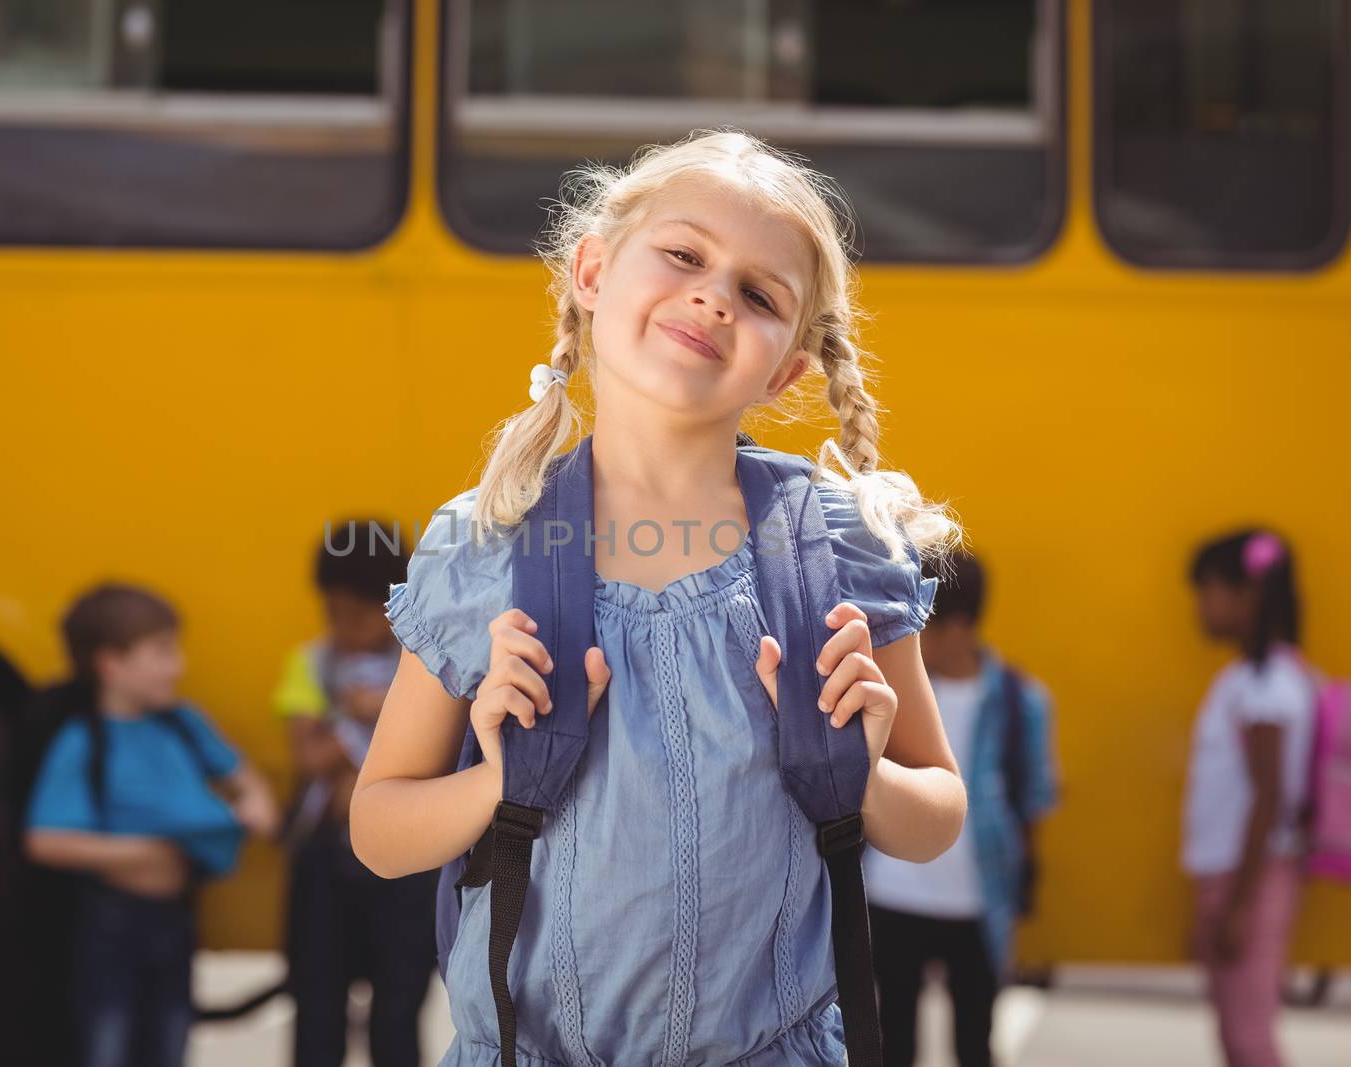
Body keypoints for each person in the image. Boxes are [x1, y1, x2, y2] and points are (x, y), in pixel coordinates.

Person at [350, 128, 967, 1065]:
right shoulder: (488, 544)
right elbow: (379, 830)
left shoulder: (837, 550)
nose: (714, 295)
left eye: (759, 296)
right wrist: (494, 783)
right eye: (684, 254)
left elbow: (937, 814)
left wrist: (867, 771)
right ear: (592, 271)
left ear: (785, 370)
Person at [25, 583, 278, 1067]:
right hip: (110, 923)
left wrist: (253, 802)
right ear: (110, 664)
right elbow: (44, 839)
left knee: (170, 1040)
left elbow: (244, 781)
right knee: (108, 1045)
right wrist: (144, 852)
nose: (177, 666)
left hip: (176, 920)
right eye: (162, 652)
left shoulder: (183, 723)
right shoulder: (84, 740)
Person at [865, 549, 1058, 1067]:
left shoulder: (1021, 701)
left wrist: (1021, 877)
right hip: (891, 894)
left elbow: (1034, 798)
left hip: (977, 901)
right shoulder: (886, 692)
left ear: (954, 626)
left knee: (975, 1042)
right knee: (891, 1042)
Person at [275, 519, 438, 1066]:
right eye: (333, 615)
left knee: (399, 1010)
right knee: (316, 1008)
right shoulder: (313, 664)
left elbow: (443, 754)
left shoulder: (432, 662)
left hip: (409, 871)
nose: (344, 628)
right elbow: (308, 757)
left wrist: (384, 710)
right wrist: (352, 716)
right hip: (324, 864)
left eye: (359, 615)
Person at [1184, 530, 1315, 1067]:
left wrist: (1238, 903)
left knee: (1249, 1039)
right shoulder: (1253, 678)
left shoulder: (1267, 684)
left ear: (1248, 595)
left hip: (1251, 878)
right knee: (1238, 1035)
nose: (1201, 607)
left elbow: (1270, 798)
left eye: (1209, 590)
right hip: (1238, 876)